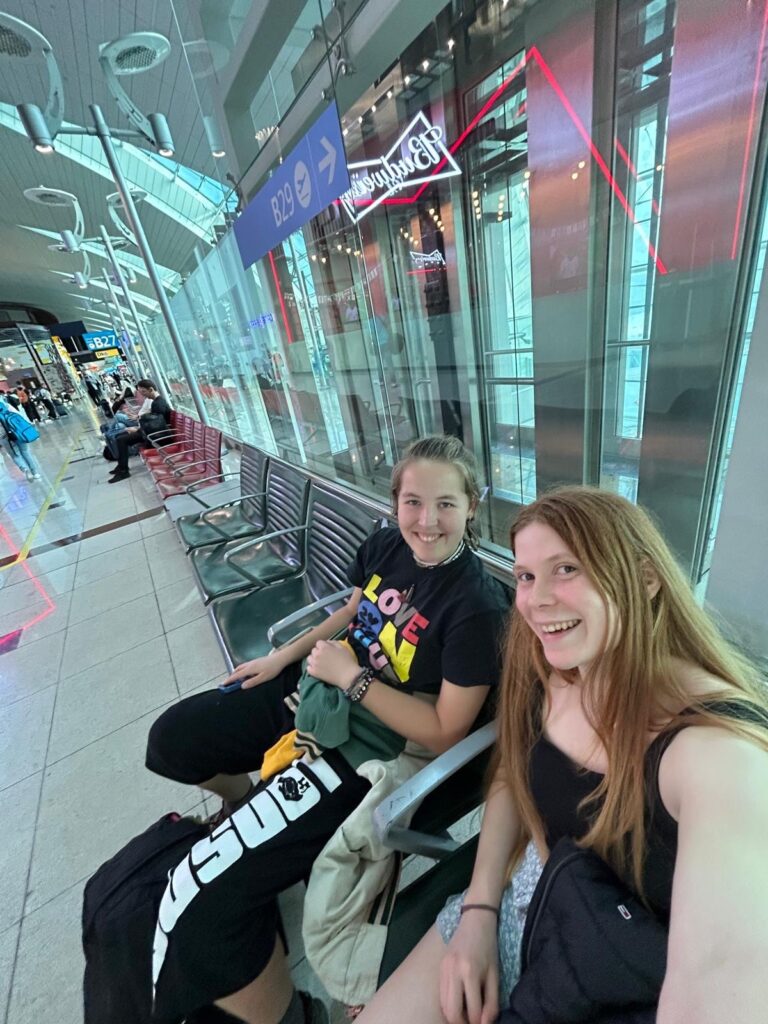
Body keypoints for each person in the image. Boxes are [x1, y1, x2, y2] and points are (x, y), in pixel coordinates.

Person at [355, 485, 768, 1024]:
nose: (536, 600)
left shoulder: (716, 753)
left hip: (621, 969)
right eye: (526, 576)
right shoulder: (555, 670)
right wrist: (479, 908)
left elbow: (716, 980)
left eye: (566, 569)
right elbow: (512, 776)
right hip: (527, 900)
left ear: (646, 579)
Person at [143, 435, 510, 1024]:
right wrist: (283, 657)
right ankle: (243, 801)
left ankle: (294, 1012)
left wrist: (353, 680)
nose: (427, 521)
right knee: (174, 737)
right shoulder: (386, 545)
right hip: (319, 683)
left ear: (472, 506)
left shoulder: (476, 607)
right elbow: (354, 610)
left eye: (446, 504)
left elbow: (445, 731)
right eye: (413, 502)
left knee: (210, 902)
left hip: (368, 733)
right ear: (395, 502)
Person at [108, 378, 171, 483]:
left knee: (121, 440)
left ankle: (124, 471)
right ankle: (121, 466)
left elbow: (157, 426)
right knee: (120, 437)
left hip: (156, 435)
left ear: (151, 389)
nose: (143, 395)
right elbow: (155, 424)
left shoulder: (158, 404)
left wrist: (137, 429)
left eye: (144, 392)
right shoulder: (157, 402)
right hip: (153, 431)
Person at [0, 393, 41, 481]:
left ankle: (25, 469)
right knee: (26, 452)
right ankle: (35, 473)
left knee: (14, 454)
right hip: (17, 431)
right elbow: (19, 415)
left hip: (3, 435)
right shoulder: (5, 405)